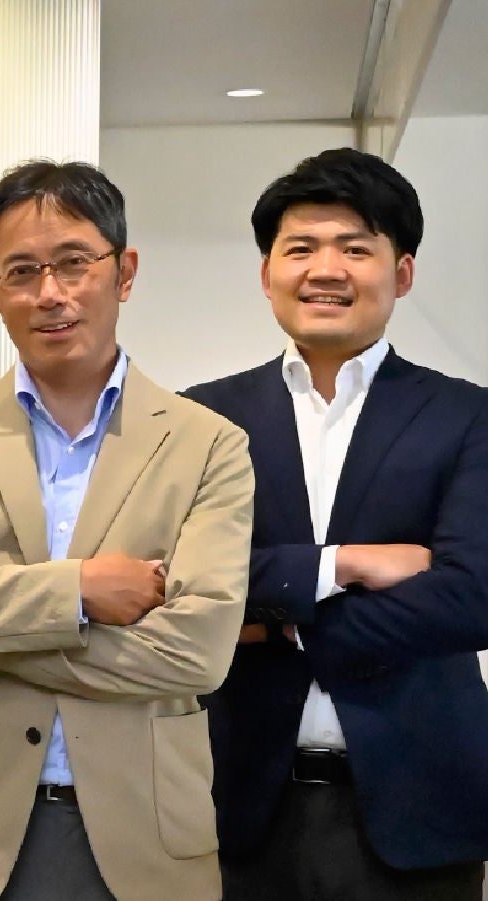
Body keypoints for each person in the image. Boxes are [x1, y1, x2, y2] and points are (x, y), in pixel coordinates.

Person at [0, 159, 254, 901]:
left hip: (143, 842)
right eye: (22, 271)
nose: (50, 293)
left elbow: (195, 655)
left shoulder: (209, 444)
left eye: (74, 263)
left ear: (123, 271)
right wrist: (78, 590)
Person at [184, 147, 488, 901]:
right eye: (301, 248)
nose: (327, 269)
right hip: (237, 807)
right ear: (266, 274)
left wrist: (276, 624)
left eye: (356, 247)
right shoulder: (202, 419)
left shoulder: (466, 415)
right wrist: (341, 564)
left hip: (419, 811)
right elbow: (183, 578)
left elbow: (470, 595)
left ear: (402, 272)